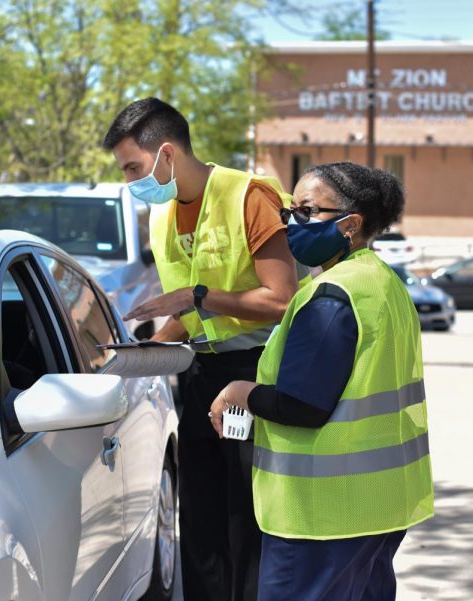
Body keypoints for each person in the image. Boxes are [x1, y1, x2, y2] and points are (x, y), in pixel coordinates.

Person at [102, 97, 300, 601]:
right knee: (200, 518)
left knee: (245, 520)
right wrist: (138, 353)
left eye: (133, 167)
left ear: (166, 154)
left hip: (254, 378)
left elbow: (282, 301)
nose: (130, 181)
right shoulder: (162, 214)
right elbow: (189, 313)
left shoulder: (247, 195)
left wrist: (198, 298)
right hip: (199, 374)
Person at [208, 162, 434, 601]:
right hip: (380, 507)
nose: (291, 223)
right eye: (290, 210)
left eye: (307, 211)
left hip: (320, 517)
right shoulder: (383, 282)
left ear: (350, 224)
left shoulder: (331, 297)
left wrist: (241, 393)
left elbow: (303, 406)